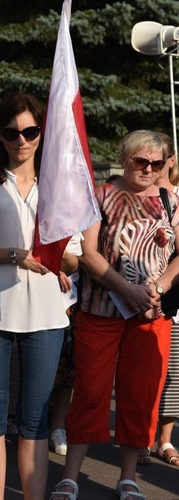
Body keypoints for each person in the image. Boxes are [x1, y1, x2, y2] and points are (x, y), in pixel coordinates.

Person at [48, 129, 179, 500]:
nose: (149, 169)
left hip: (151, 316)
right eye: (141, 161)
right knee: (91, 392)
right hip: (100, 312)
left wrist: (161, 286)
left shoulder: (170, 199)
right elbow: (88, 253)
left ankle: (128, 477)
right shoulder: (101, 195)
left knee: (140, 397)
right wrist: (127, 289)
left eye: (156, 163)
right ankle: (70, 476)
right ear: (125, 158)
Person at [0, 93, 80, 500]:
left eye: (30, 131)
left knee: (35, 419)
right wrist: (15, 255)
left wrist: (60, 256)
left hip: (47, 312)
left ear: (42, 132)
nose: (22, 140)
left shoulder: (60, 185)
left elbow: (74, 260)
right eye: (12, 132)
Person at [153, 132, 179, 466]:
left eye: (159, 158)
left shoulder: (176, 199)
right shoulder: (126, 195)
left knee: (173, 374)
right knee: (148, 373)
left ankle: (164, 439)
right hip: (138, 298)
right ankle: (140, 436)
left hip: (172, 299)